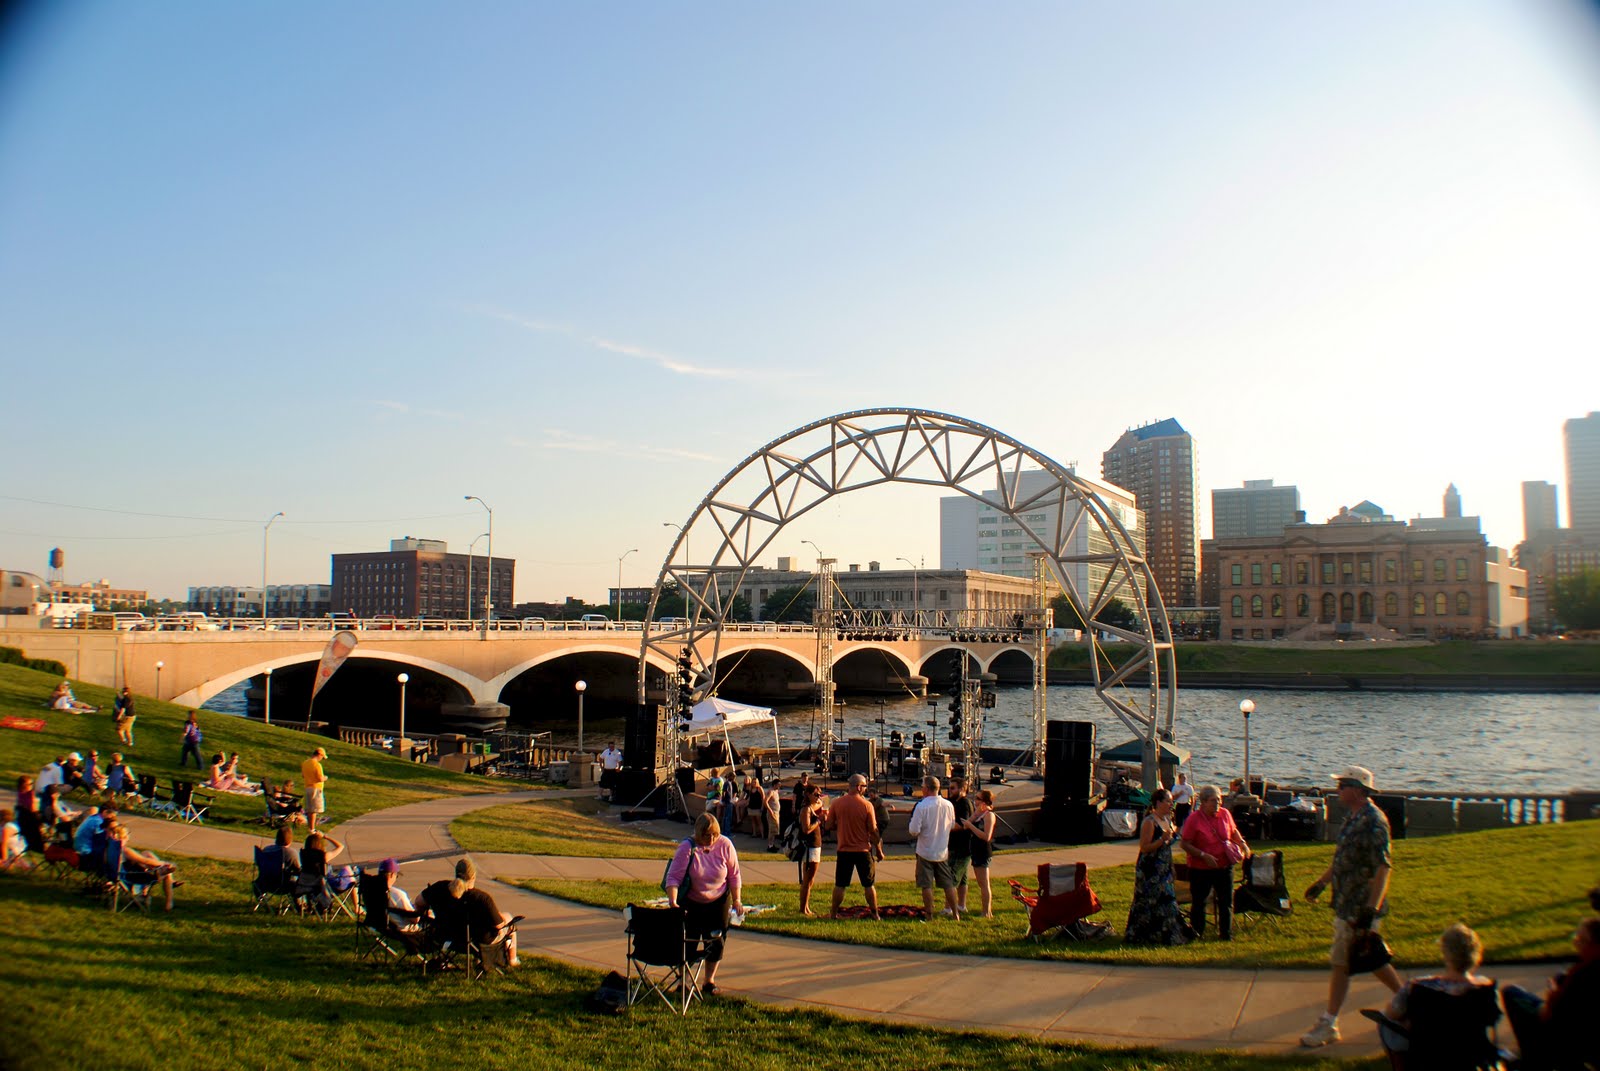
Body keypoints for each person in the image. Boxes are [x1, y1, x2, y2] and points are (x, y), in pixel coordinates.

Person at [1300, 764, 1402, 1047]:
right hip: (1346, 904)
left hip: (1360, 908)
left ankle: (1329, 1023)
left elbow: (1383, 868)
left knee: (1346, 963)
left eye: (1342, 785)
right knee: (1366, 960)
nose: (1338, 790)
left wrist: (1370, 911)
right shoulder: (1352, 817)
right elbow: (1341, 858)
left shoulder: (1374, 821)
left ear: (1357, 789)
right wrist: (1321, 884)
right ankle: (1408, 1001)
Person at [1371, 922, 1497, 1067]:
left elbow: (1391, 1014)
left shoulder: (1419, 986)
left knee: (1386, 1023)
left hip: (1428, 1059)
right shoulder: (1485, 989)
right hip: (1470, 1060)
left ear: (1445, 954)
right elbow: (1491, 1020)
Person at [1503, 916, 1600, 1071]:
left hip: (1568, 1035)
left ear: (1589, 943)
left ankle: (1533, 1059)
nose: (1575, 942)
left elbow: (1547, 1013)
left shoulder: (1581, 974)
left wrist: (1552, 991)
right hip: (1589, 1035)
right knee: (1560, 976)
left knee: (1511, 993)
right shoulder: (1584, 969)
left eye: (1579, 939)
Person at [663, 813, 743, 995]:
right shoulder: (687, 848)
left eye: (715, 834)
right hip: (692, 902)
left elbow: (734, 874)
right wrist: (673, 901)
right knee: (688, 941)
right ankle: (683, 983)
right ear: (698, 833)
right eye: (707, 835)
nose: (712, 839)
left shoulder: (725, 845)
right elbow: (674, 877)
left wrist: (737, 899)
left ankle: (709, 981)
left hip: (719, 900)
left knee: (716, 941)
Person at [1180, 784, 1249, 942]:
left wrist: (1242, 843)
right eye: (1213, 801)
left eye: (1219, 800)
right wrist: (1203, 855)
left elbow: (1233, 831)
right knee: (1199, 902)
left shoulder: (1225, 814)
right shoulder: (1194, 819)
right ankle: (1197, 933)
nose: (1217, 804)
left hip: (1224, 866)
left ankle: (1226, 934)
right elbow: (1185, 844)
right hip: (1201, 868)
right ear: (1203, 802)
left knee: (1226, 901)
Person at [1124, 788, 1193, 945]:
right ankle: (1142, 935)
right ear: (1158, 802)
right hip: (1150, 869)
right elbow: (1145, 847)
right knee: (1149, 901)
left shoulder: (1167, 819)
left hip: (1164, 867)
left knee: (1166, 900)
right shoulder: (1149, 822)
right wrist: (1162, 839)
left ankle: (1168, 934)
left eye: (1171, 801)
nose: (1171, 804)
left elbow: (1167, 845)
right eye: (1168, 801)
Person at [825, 774, 880, 920]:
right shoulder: (867, 805)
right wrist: (879, 850)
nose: (865, 790)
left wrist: (841, 825)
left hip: (844, 850)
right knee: (869, 885)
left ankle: (833, 913)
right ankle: (875, 914)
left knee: (840, 884)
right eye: (864, 786)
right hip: (863, 851)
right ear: (858, 787)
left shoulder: (837, 803)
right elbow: (873, 830)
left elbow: (828, 825)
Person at [908, 775, 959, 921]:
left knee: (926, 885)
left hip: (925, 851)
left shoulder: (922, 806)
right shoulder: (948, 805)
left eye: (922, 786)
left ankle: (929, 915)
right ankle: (955, 913)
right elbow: (952, 824)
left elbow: (914, 830)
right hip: (942, 850)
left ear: (926, 788)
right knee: (948, 884)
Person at [107, 822, 177, 911]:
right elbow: (145, 861)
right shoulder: (126, 850)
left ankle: (158, 872)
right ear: (124, 836)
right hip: (128, 877)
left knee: (146, 853)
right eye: (128, 834)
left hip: (116, 874)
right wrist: (164, 863)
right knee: (167, 874)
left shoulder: (112, 846)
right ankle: (169, 904)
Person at [961, 789, 999, 918]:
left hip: (983, 851)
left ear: (985, 801)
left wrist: (971, 826)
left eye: (978, 799)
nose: (975, 801)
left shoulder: (989, 815)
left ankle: (987, 911)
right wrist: (975, 815)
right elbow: (966, 825)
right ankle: (985, 910)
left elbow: (986, 836)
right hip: (976, 850)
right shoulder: (980, 814)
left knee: (984, 883)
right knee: (980, 883)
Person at [293, 830, 345, 913]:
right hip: (321, 886)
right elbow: (341, 846)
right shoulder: (324, 856)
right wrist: (325, 836)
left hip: (306, 885)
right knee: (348, 870)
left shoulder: (303, 854)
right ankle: (357, 908)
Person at [796, 783, 826, 916]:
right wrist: (819, 821)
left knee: (811, 880)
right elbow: (806, 829)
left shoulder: (811, 807)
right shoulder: (806, 809)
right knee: (808, 879)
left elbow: (821, 802)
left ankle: (806, 906)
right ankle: (803, 908)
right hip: (810, 846)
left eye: (819, 794)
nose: (818, 797)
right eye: (815, 794)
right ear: (808, 794)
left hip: (815, 845)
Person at [946, 776, 974, 915]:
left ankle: (949, 908)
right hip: (953, 845)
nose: (949, 790)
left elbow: (962, 825)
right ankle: (962, 905)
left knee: (951, 878)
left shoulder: (964, 803)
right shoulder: (952, 802)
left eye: (953, 788)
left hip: (962, 846)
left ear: (962, 789)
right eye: (949, 787)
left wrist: (943, 828)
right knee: (962, 878)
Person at [378, 858, 425, 932]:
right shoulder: (398, 894)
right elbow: (415, 919)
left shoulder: (374, 891)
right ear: (392, 875)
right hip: (402, 929)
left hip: (380, 925)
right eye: (396, 876)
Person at [301, 747, 328, 832]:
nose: (321, 759)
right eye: (322, 757)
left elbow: (303, 775)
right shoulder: (317, 765)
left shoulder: (305, 763)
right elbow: (320, 778)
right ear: (319, 755)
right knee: (314, 810)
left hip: (307, 787)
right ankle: (312, 829)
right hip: (316, 788)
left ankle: (310, 826)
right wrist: (325, 778)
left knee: (309, 809)